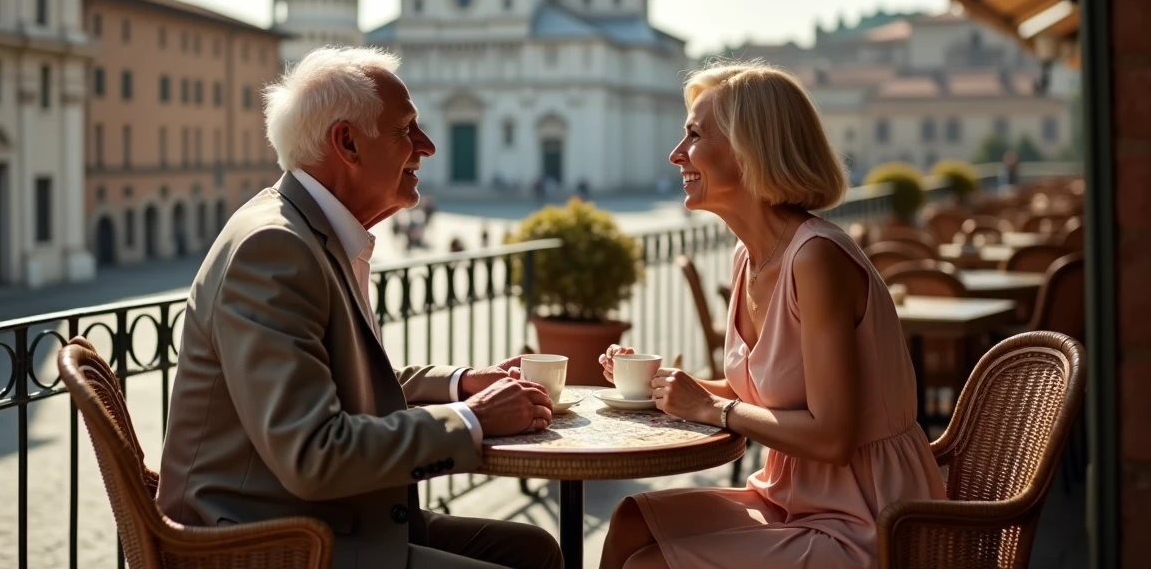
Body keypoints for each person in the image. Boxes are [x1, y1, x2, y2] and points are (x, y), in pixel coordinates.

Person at [157, 47, 562, 569]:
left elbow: (340, 380)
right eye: (407, 130)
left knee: (535, 550)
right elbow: (314, 453)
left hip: (323, 518)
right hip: (264, 545)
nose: (429, 147)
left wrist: (462, 384)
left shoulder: (307, 231)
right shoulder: (273, 249)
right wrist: (472, 420)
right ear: (347, 142)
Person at [598, 60, 945, 569]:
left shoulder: (817, 258)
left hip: (872, 521)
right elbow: (761, 397)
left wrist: (709, 409)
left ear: (749, 150)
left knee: (648, 567)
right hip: (792, 500)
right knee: (633, 520)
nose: (676, 155)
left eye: (693, 135)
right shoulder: (749, 257)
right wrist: (665, 386)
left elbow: (832, 436)